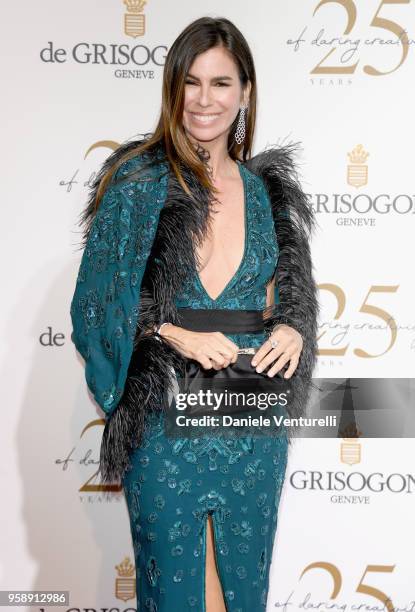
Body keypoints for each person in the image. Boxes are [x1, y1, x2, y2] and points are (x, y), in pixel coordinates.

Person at [70, 16, 319, 612]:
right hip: (164, 420)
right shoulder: (137, 181)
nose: (205, 99)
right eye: (192, 82)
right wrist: (170, 332)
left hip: (249, 422)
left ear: (246, 92)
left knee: (241, 589)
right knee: (177, 588)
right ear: (172, 89)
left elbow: (292, 297)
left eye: (221, 83)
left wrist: (291, 327)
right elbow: (93, 304)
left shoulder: (268, 195)